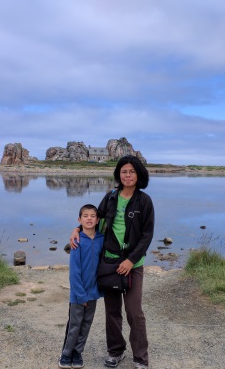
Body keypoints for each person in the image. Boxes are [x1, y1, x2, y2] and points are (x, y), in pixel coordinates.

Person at [70, 155, 155, 369]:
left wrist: (131, 260)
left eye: (132, 171)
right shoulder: (110, 197)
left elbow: (147, 235)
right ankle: (116, 352)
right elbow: (94, 219)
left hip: (132, 265)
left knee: (134, 312)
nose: (127, 175)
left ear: (139, 175)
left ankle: (140, 358)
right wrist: (77, 229)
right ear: (118, 174)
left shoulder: (144, 201)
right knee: (112, 312)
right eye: (124, 171)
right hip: (109, 263)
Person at [59, 204, 105, 369]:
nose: (89, 218)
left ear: (98, 219)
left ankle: (78, 352)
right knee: (75, 324)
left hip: (94, 292)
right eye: (85, 216)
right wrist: (81, 294)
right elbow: (74, 272)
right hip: (79, 294)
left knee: (86, 324)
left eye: (93, 216)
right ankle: (66, 353)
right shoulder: (77, 241)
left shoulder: (101, 239)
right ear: (79, 220)